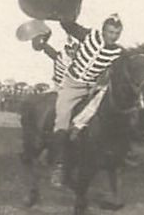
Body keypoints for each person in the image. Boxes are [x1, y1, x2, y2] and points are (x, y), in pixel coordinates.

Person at [50, 13, 126, 179]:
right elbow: (69, 25)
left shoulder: (118, 52)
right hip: (71, 85)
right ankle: (59, 164)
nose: (113, 36)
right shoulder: (89, 35)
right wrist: (65, 10)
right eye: (110, 32)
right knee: (62, 119)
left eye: (117, 33)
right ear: (103, 30)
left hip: (93, 89)